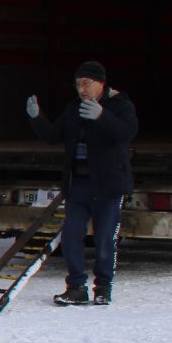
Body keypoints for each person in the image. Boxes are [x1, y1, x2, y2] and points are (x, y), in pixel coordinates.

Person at [28, 60, 137, 306]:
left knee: (104, 239)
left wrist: (102, 117)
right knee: (71, 235)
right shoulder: (73, 108)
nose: (82, 89)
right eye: (78, 84)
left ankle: (103, 288)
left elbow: (126, 133)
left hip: (108, 185)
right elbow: (53, 135)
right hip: (78, 184)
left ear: (100, 83)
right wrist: (37, 118)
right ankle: (76, 287)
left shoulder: (121, 105)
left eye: (86, 83)